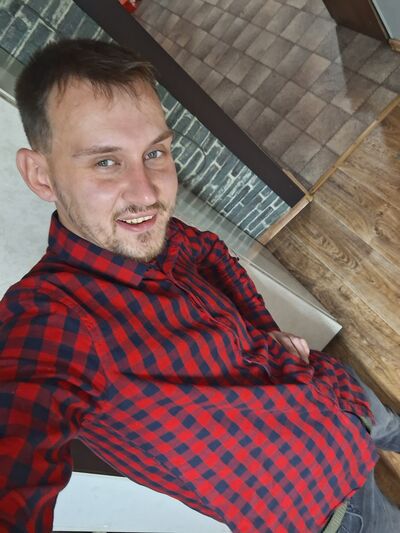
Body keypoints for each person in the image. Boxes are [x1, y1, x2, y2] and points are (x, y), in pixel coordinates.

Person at [0, 38, 399, 533]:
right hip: (338, 514)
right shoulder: (50, 320)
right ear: (41, 175)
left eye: (155, 152)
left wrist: (265, 332)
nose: (147, 192)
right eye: (106, 162)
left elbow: (213, 253)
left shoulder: (158, 235)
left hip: (341, 396)